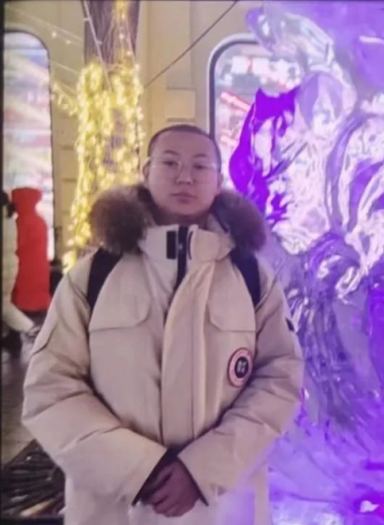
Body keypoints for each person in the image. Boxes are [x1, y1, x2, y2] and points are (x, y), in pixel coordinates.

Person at [22, 124, 304, 525]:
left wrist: (202, 469)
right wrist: (138, 469)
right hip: (116, 507)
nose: (184, 177)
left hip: (219, 506)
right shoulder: (94, 275)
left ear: (218, 181)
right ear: (146, 171)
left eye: (200, 166)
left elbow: (281, 377)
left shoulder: (251, 276)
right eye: (170, 163)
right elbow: (50, 388)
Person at [2, 190, 37, 355]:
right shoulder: (9, 218)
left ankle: (31, 329)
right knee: (4, 305)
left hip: (4, 266)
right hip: (10, 265)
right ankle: (22, 333)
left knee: (4, 307)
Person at [11, 186, 51, 318]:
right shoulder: (40, 221)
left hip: (23, 270)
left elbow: (16, 246)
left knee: (25, 303)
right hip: (40, 269)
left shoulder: (20, 223)